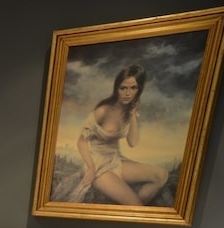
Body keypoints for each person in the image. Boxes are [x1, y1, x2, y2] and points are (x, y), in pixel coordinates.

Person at [69, 64, 168, 205]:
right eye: (123, 88)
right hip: (97, 165)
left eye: (133, 88)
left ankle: (132, 207)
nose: (128, 93)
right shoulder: (103, 110)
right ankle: (135, 206)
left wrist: (133, 115)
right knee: (135, 205)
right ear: (117, 88)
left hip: (116, 160)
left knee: (161, 175)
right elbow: (82, 141)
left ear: (139, 89)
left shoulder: (130, 111)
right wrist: (90, 168)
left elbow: (133, 143)